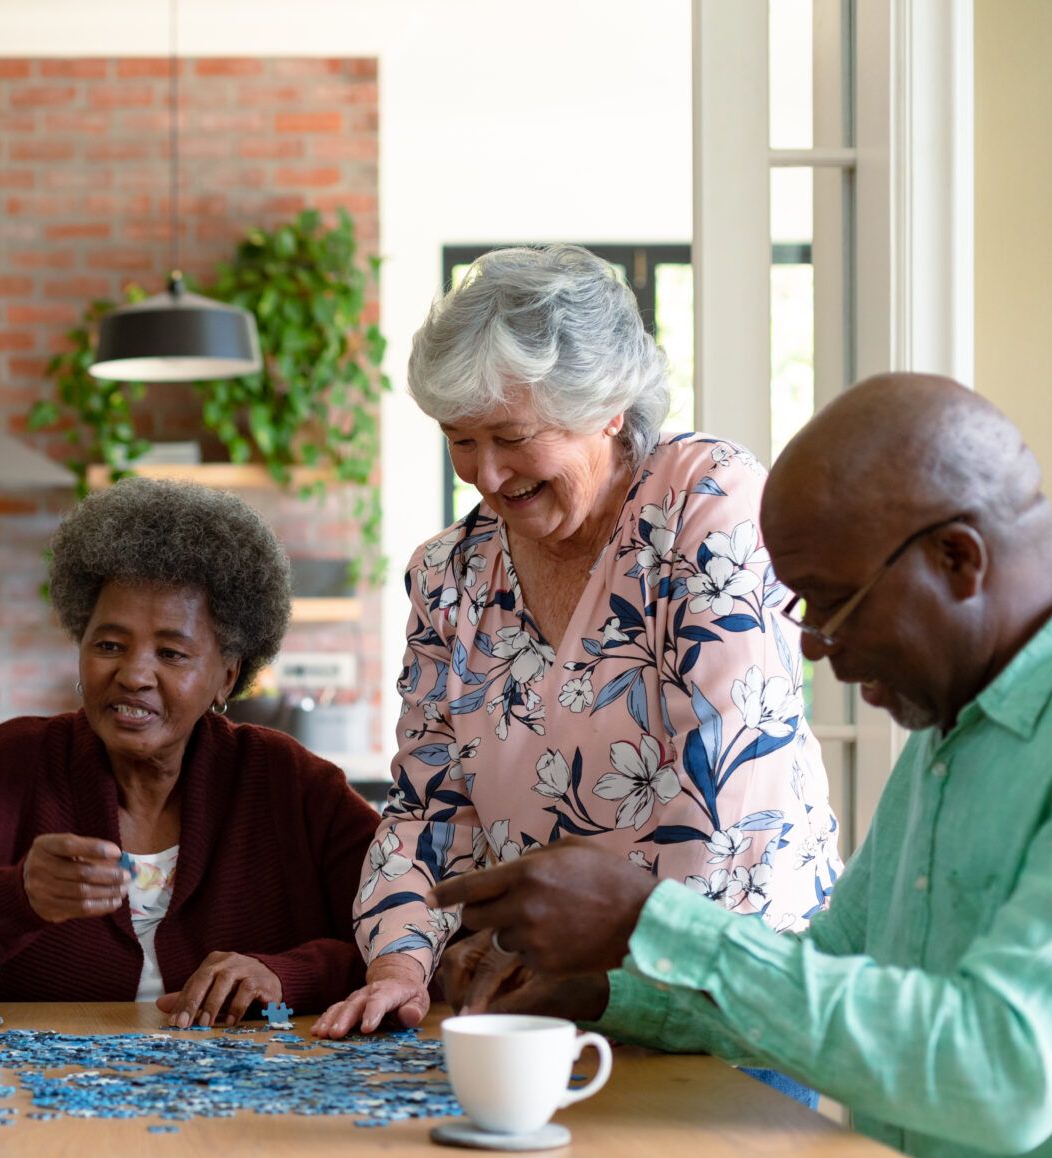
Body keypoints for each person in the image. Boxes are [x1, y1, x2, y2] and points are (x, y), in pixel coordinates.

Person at [445, 374, 1052, 1158]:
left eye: (834, 603)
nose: (809, 644)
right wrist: (604, 993)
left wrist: (652, 920)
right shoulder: (951, 727)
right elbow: (830, 976)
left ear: (958, 559)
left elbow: (1007, 1070)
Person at [315, 244, 840, 1043]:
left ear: (609, 408)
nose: (485, 474)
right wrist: (400, 965)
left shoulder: (706, 507)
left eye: (512, 435)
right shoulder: (449, 573)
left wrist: (604, 980)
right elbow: (429, 810)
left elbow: (728, 794)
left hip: (721, 995)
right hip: (539, 1003)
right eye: (460, 440)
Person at [0, 476, 377, 1024]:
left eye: (172, 652)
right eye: (109, 645)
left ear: (226, 677)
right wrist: (14, 901)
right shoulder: (2, 767)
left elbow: (416, 942)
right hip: (35, 1093)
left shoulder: (289, 782)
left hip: (247, 1097)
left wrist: (287, 974)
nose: (134, 674)